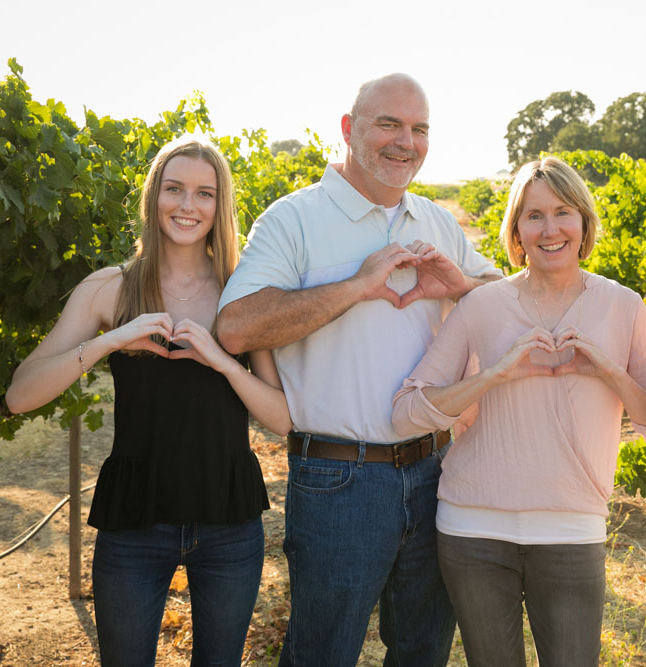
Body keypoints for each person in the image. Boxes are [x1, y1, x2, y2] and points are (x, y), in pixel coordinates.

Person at [215, 73, 502, 667]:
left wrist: (465, 285)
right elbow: (237, 326)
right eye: (389, 124)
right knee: (323, 653)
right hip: (339, 480)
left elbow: (506, 296)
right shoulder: (293, 220)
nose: (406, 142)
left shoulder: (437, 221)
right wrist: (355, 286)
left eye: (419, 129)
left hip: (436, 472)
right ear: (348, 129)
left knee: (423, 650)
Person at [5, 136, 290, 666]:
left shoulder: (243, 293)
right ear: (153, 195)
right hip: (133, 524)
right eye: (174, 188)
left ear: (219, 204)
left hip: (229, 525)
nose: (187, 206)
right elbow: (21, 395)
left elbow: (282, 419)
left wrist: (222, 361)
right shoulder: (108, 288)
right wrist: (110, 340)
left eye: (204, 194)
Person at [391, 156, 646, 666]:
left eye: (563, 212)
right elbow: (406, 412)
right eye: (533, 215)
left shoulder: (624, 306)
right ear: (516, 229)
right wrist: (494, 375)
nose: (550, 229)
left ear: (584, 223)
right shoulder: (481, 305)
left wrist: (607, 369)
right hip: (471, 531)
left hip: (570, 529)